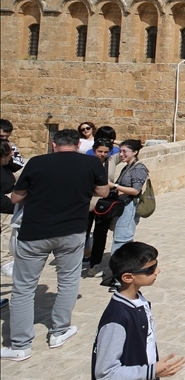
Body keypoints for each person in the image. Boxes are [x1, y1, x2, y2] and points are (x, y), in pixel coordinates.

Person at [3, 128, 108, 361]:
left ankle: (20, 345)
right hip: (72, 231)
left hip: (35, 232)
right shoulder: (92, 164)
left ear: (53, 144)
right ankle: (59, 331)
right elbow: (102, 191)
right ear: (78, 144)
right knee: (68, 282)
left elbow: (16, 197)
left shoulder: (37, 162)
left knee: (23, 288)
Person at [92, 242, 185, 380]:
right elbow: (105, 372)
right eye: (150, 269)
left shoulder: (139, 301)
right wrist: (150, 372)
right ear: (128, 277)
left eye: (156, 265)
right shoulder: (116, 320)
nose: (157, 271)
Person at [88, 139, 149, 285]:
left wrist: (114, 186)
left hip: (129, 207)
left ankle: (118, 279)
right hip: (123, 206)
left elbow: (135, 190)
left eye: (124, 152)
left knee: (120, 241)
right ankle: (121, 275)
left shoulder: (138, 168)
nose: (121, 154)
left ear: (135, 152)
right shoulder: (127, 167)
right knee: (122, 240)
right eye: (120, 151)